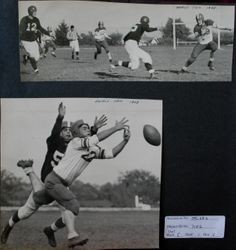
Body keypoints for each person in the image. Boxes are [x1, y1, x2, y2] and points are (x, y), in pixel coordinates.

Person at [1, 103, 107, 248]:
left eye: (70, 131)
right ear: (59, 133)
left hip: (61, 185)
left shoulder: (75, 145)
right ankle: (8, 226)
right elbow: (55, 132)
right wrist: (60, 117)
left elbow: (86, 139)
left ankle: (51, 230)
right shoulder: (54, 143)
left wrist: (94, 129)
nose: (68, 133)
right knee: (26, 212)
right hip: (47, 183)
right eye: (64, 130)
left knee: (68, 215)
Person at [15, 118, 130, 248]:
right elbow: (94, 138)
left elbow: (111, 154)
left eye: (88, 127)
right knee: (73, 204)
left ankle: (50, 229)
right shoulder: (75, 142)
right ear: (76, 132)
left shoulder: (91, 147)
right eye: (84, 127)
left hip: (60, 184)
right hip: (54, 180)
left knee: (38, 200)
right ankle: (72, 236)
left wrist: (125, 141)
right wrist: (115, 128)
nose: (88, 129)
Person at [19, 5, 52, 73]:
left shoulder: (36, 19)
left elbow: (40, 28)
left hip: (33, 40)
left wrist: (48, 33)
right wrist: (20, 40)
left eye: (35, 11)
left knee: (37, 58)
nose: (35, 12)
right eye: (34, 11)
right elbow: (21, 31)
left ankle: (26, 57)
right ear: (30, 11)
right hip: (26, 40)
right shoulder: (24, 19)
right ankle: (36, 70)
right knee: (32, 55)